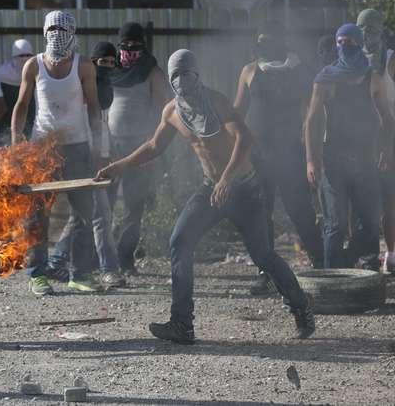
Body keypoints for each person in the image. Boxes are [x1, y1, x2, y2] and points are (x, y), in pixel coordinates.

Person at [97, 49, 315, 344]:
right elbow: (153, 147)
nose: (184, 81)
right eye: (177, 76)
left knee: (262, 254)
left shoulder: (217, 101)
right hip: (211, 187)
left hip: (244, 187)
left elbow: (245, 138)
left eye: (188, 74)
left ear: (197, 75)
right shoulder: (172, 112)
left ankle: (301, 308)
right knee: (180, 241)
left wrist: (227, 178)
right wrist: (118, 167)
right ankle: (182, 324)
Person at [12, 10, 106, 296]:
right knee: (38, 213)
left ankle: (80, 273)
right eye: (52, 29)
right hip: (43, 149)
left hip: (77, 147)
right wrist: (17, 141)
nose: (57, 35)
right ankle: (37, 275)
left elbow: (94, 109)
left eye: (62, 30)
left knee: (83, 212)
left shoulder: (83, 66)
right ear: (44, 32)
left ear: (73, 33)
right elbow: (22, 105)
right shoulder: (33, 66)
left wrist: (99, 148)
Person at [234, 22, 324, 295]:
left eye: (270, 41)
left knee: (300, 211)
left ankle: (321, 266)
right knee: (261, 214)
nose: (265, 47)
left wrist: (311, 157)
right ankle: (266, 272)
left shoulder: (299, 70)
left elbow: (312, 115)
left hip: (290, 153)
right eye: (260, 42)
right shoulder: (249, 71)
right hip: (258, 155)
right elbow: (237, 112)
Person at [304, 24, 395, 271]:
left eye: (350, 42)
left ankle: (354, 268)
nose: (345, 47)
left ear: (359, 43)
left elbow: (388, 118)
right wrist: (311, 160)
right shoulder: (325, 79)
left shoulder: (372, 77)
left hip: (366, 160)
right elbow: (311, 121)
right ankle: (331, 279)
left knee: (369, 221)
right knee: (336, 225)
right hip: (334, 160)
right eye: (340, 42)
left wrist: (387, 148)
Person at [46, 41, 126, 289]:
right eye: (103, 62)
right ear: (92, 63)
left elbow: (102, 126)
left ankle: (56, 261)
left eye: (112, 63)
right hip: (84, 159)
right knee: (100, 214)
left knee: (80, 217)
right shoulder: (82, 90)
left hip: (99, 157)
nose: (108, 67)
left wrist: (108, 152)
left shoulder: (105, 90)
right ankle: (108, 270)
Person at [106, 22, 169, 274]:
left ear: (143, 45)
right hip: (110, 146)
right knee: (105, 205)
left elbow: (162, 110)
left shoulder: (152, 72)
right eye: (126, 45)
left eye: (135, 45)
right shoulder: (109, 68)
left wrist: (154, 147)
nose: (130, 50)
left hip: (139, 148)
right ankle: (106, 259)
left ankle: (125, 257)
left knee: (134, 207)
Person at [356, 9, 395, 275]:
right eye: (363, 29)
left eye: (373, 29)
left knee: (388, 197)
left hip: (385, 136)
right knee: (359, 199)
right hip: (356, 138)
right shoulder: (352, 58)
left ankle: (390, 255)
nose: (368, 35)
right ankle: (363, 255)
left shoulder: (392, 59)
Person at [0, 39, 35, 140]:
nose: (25, 59)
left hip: (29, 120)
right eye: (21, 56)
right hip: (7, 121)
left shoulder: (36, 72)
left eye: (28, 55)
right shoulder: (1, 74)